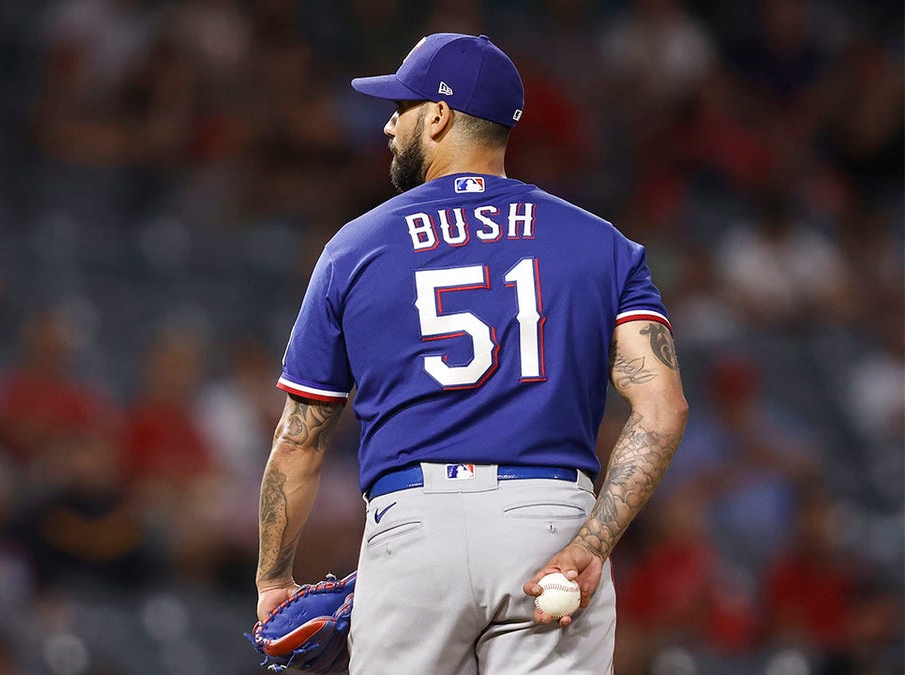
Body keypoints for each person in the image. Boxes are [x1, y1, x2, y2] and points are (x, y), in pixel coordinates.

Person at [254, 33, 688, 673]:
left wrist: (273, 577)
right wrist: (594, 542)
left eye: (400, 108)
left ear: (437, 116)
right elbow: (662, 409)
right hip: (546, 524)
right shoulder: (603, 245)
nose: (388, 124)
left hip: (413, 529)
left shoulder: (356, 247)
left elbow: (298, 441)